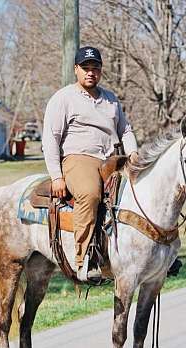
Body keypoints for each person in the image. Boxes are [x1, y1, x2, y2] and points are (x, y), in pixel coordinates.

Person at [42, 46, 139, 282]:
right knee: (89, 194)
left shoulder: (110, 99)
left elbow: (124, 129)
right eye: (85, 68)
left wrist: (134, 153)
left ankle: (152, 252)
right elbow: (50, 138)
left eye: (95, 68)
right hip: (79, 157)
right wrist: (56, 176)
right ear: (76, 70)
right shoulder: (63, 98)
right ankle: (83, 258)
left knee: (143, 188)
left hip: (111, 158)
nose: (90, 73)